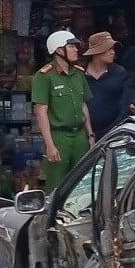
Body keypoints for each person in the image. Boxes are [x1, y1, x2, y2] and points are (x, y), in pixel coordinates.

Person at [31, 30, 96, 193]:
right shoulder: (44, 76)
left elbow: (83, 106)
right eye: (71, 46)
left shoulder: (79, 73)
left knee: (83, 185)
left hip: (80, 136)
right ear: (59, 50)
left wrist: (90, 135)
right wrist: (50, 145)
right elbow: (41, 112)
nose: (76, 50)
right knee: (56, 186)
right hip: (59, 137)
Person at [83, 31, 127, 140]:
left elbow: (125, 101)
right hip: (85, 134)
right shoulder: (80, 74)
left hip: (115, 133)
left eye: (113, 49)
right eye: (108, 49)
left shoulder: (119, 73)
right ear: (96, 52)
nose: (113, 52)